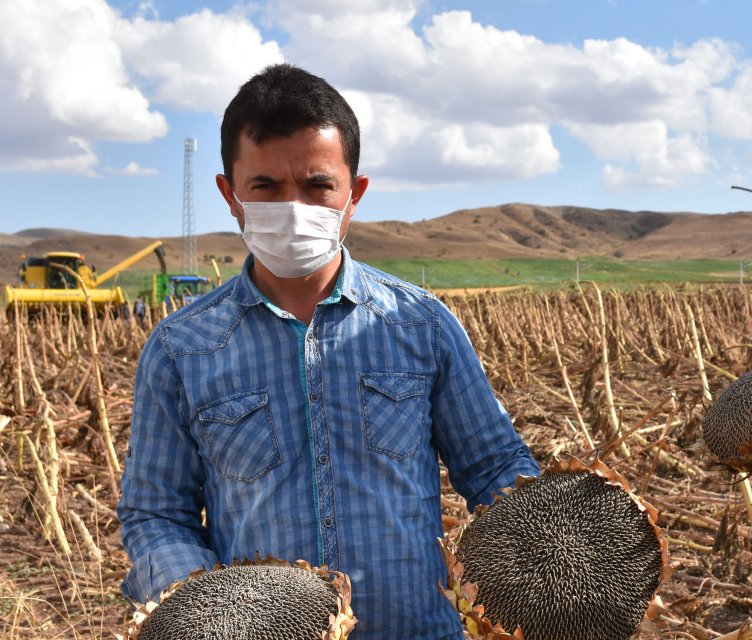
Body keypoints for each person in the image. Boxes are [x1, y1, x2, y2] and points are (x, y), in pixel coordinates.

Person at [117, 64, 540, 640]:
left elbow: (494, 467)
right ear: (229, 194)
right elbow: (155, 515)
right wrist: (208, 612)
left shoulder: (422, 325)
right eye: (265, 186)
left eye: (317, 186)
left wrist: (556, 544)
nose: (293, 207)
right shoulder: (180, 349)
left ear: (354, 194)